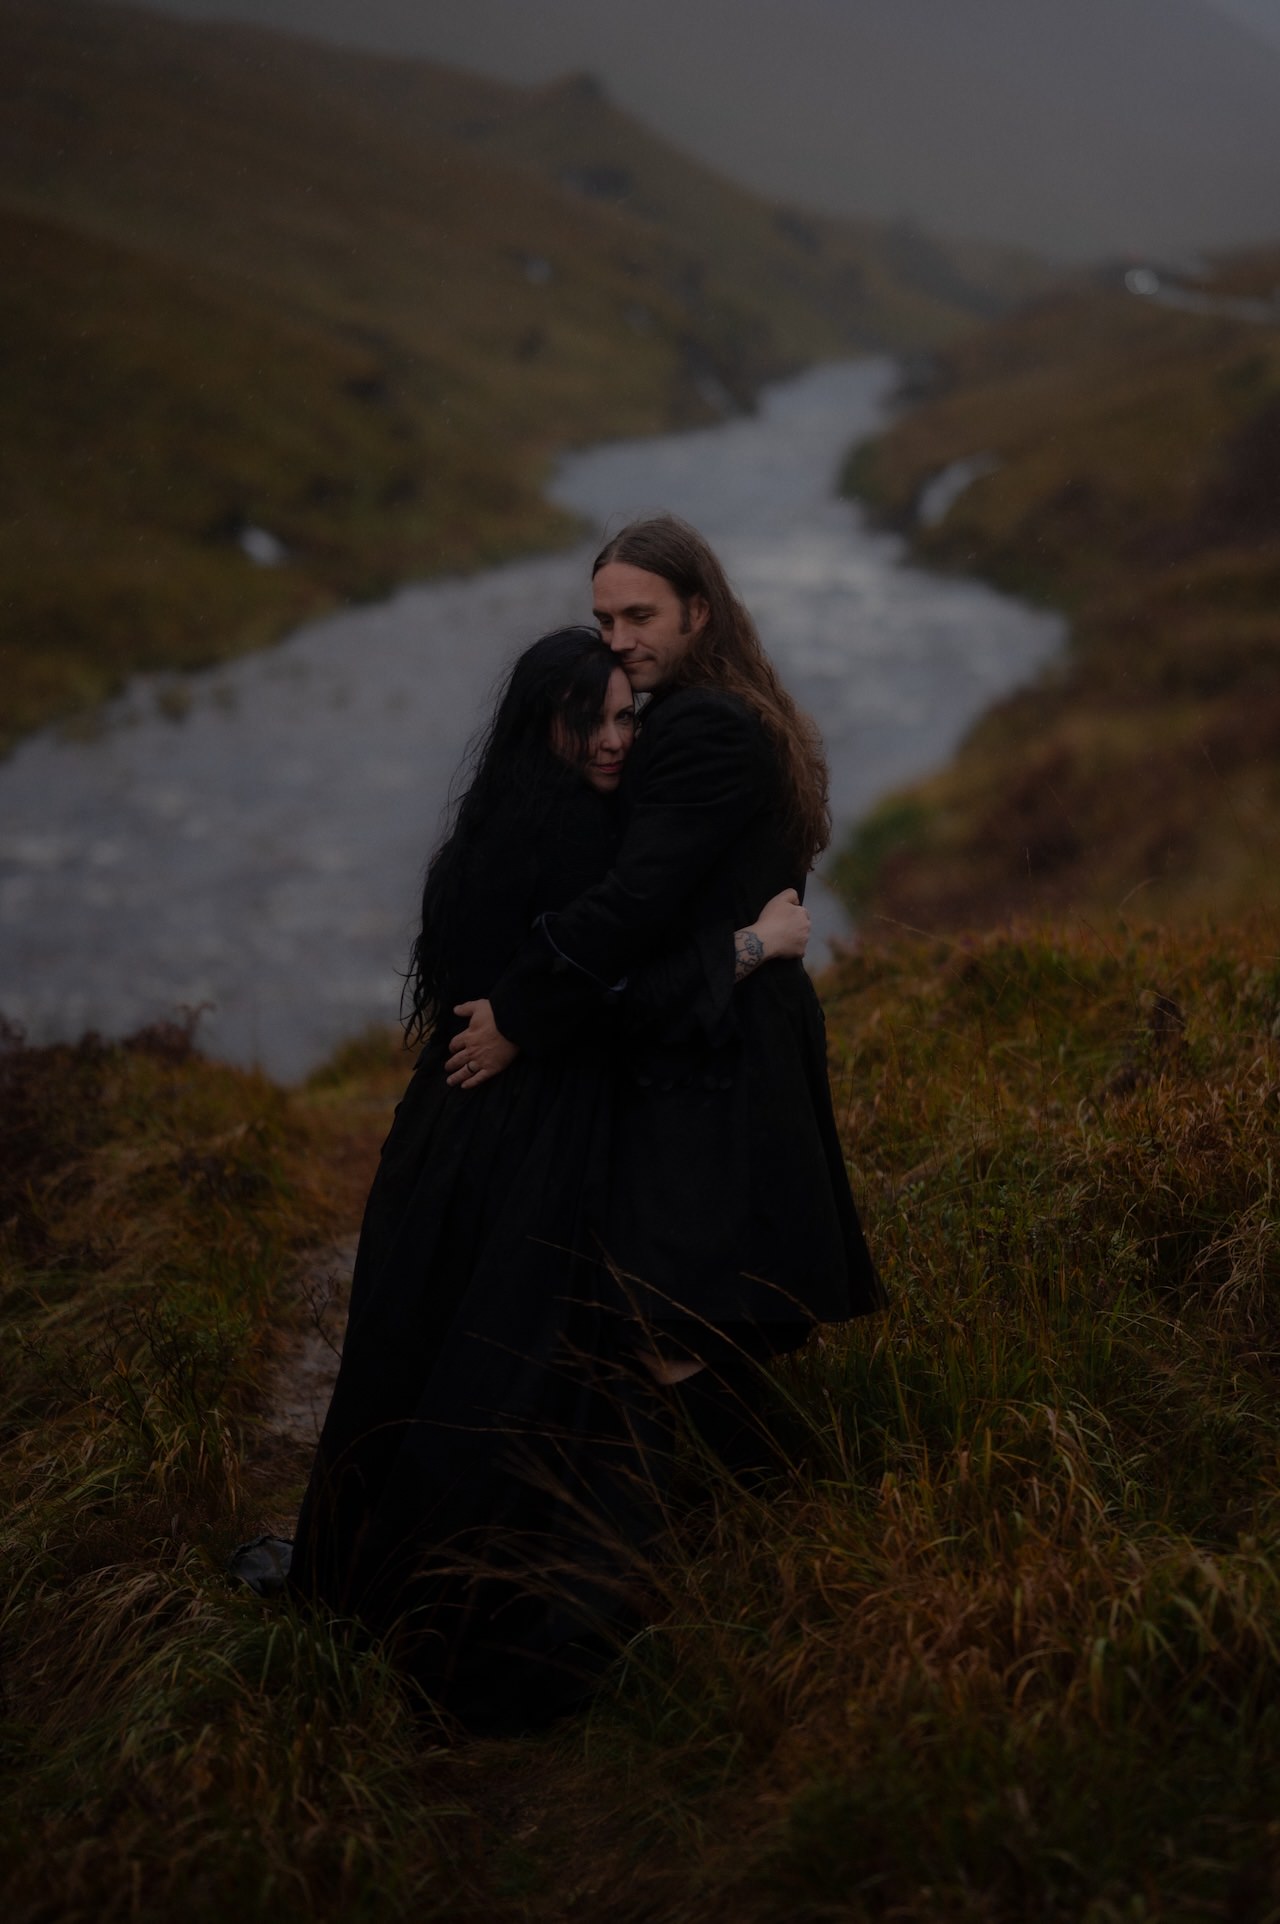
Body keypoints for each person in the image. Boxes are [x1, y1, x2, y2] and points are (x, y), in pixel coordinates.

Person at [287, 625, 812, 1730]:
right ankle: (500, 1619)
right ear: (549, 722)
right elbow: (627, 996)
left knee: (434, 1351)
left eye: (629, 715)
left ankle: (390, 1588)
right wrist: (755, 943)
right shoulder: (581, 843)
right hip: (534, 1138)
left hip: (446, 1136)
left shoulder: (486, 824)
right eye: (599, 717)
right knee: (524, 1371)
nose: (619, 737)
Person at [448, 517, 884, 1455]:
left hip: (714, 1052)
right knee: (675, 1309)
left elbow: (634, 901)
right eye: (604, 618)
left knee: (660, 1312)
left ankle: (770, 1506)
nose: (617, 640)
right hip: (712, 1028)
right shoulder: (724, 708)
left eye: (640, 615)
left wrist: (519, 1011)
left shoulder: (703, 729)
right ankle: (748, 1517)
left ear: (700, 611)